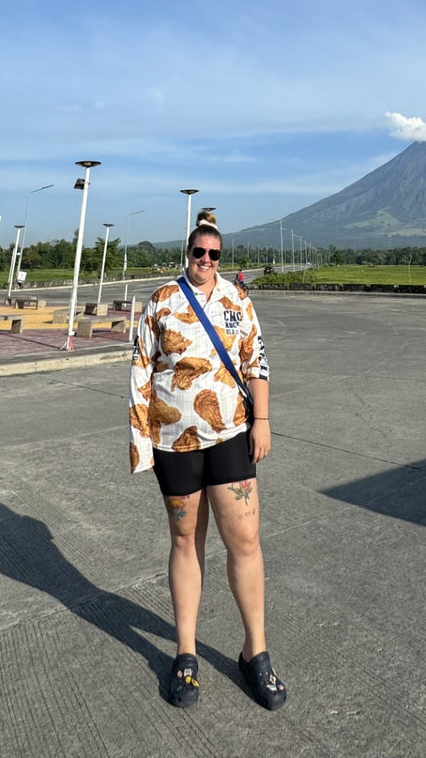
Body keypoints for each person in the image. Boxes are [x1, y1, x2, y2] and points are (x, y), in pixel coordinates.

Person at [129, 211, 287, 711]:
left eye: (214, 254)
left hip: (231, 435)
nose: (206, 260)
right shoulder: (161, 301)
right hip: (173, 441)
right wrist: (141, 442)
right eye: (199, 252)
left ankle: (254, 651)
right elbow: (139, 370)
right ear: (188, 252)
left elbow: (255, 361)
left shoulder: (239, 300)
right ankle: (186, 653)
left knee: (244, 539)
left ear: (222, 257)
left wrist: (261, 420)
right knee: (184, 539)